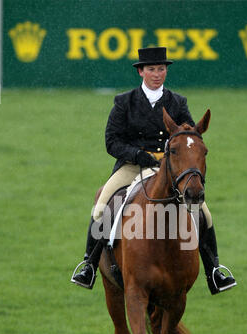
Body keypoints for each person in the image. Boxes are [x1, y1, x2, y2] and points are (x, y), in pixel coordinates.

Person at [71, 47, 236, 295]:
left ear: (166, 71)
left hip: (168, 169)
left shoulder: (178, 102)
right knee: (103, 205)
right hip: (133, 166)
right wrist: (137, 155)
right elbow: (111, 141)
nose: (157, 74)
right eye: (151, 69)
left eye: (161, 69)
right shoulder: (124, 102)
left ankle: (214, 270)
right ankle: (89, 265)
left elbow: (189, 134)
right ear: (141, 72)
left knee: (204, 213)